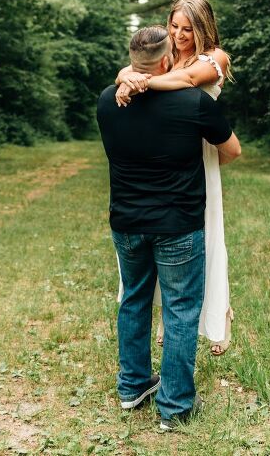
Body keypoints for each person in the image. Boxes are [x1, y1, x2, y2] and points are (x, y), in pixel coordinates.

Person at [97, 25, 241, 429]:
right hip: (178, 224)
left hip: (126, 223)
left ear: (131, 62)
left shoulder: (109, 102)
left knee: (135, 300)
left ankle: (132, 388)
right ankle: (175, 406)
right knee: (179, 310)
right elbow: (232, 150)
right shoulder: (193, 102)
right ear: (165, 62)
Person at [114, 0, 235, 356]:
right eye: (174, 26)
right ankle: (170, 320)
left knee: (205, 236)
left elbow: (183, 82)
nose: (179, 34)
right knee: (169, 243)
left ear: (203, 28)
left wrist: (139, 81)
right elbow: (130, 67)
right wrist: (127, 75)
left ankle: (219, 314)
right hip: (166, 152)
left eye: (187, 28)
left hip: (200, 153)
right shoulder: (166, 56)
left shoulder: (214, 58)